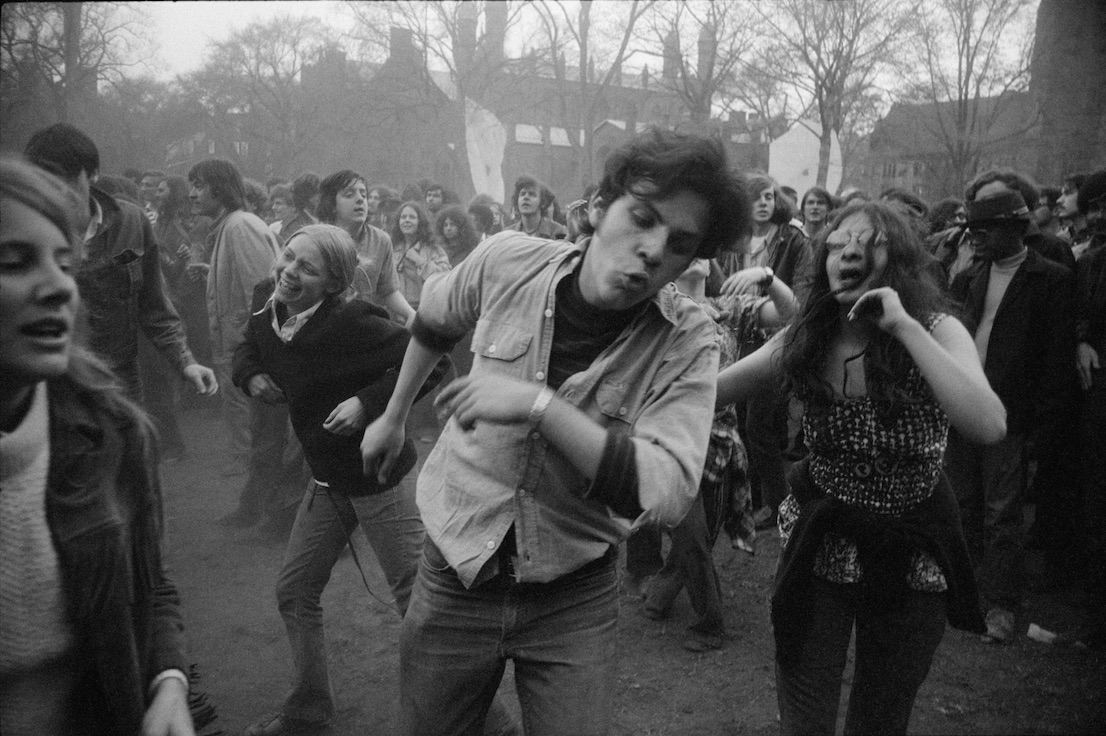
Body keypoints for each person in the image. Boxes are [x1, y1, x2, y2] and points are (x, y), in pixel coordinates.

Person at [360, 128, 749, 735]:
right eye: (642, 218)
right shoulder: (506, 259)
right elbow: (436, 320)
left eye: (680, 244)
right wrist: (391, 414)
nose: (653, 250)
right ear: (597, 208)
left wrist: (541, 406)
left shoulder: (690, 340)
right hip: (456, 565)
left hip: (575, 593)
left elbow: (668, 489)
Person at [716, 200, 1005, 735]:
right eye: (836, 242)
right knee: (805, 710)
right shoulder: (808, 336)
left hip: (915, 539)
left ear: (896, 260)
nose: (847, 251)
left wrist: (903, 328)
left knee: (881, 716)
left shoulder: (937, 329)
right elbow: (714, 392)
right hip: (825, 534)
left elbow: (988, 425)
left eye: (866, 242)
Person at [0, 154, 194, 735]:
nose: (60, 285)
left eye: (65, 262)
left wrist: (167, 684)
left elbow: (150, 582)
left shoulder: (114, 433)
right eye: (14, 262)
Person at [232, 224, 448, 736]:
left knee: (418, 606)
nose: (289, 272)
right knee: (295, 591)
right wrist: (249, 374)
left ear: (333, 283)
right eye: (288, 258)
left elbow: (431, 362)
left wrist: (369, 404)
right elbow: (249, 343)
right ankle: (309, 711)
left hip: (379, 478)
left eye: (307, 268)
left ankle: (481, 722)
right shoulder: (270, 299)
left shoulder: (355, 320)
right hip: (327, 480)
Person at [643, 257, 798, 651]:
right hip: (666, 433)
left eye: (705, 249)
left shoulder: (728, 309)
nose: (697, 253)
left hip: (717, 439)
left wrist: (768, 277)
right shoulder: (652, 306)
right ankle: (711, 622)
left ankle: (663, 591)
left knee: (701, 533)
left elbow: (791, 315)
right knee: (690, 531)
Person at [946, 183, 1077, 644]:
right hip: (964, 404)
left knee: (1002, 515)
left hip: (1011, 415)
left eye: (984, 228)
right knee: (960, 505)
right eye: (972, 228)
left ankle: (1000, 605)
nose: (975, 237)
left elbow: (1055, 362)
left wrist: (1042, 428)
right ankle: (962, 595)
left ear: (1014, 228)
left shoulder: (1052, 280)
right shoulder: (968, 276)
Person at [23, 123, 218, 403]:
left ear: (92, 175)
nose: (56, 190)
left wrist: (185, 361)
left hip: (119, 379)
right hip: (49, 383)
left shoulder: (131, 222)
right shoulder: (22, 228)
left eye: (65, 178)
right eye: (44, 179)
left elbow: (155, 307)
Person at [717, 172, 810, 529]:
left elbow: (800, 295)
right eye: (755, 197)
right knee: (738, 423)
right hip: (736, 332)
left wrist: (769, 282)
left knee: (760, 426)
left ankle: (780, 503)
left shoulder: (794, 239)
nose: (764, 202)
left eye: (769, 196)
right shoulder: (734, 240)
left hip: (777, 336)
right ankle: (750, 499)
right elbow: (718, 286)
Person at [188, 158, 280, 488]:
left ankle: (256, 502)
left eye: (199, 185)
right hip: (238, 351)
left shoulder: (240, 227)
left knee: (258, 431)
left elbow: (265, 297)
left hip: (247, 354)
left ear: (221, 189)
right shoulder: (229, 227)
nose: (191, 194)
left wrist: (252, 358)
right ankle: (252, 500)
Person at [318, 170, 415, 325]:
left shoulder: (381, 240)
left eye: (363, 194)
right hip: (321, 324)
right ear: (331, 205)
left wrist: (411, 314)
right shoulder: (315, 239)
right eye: (349, 194)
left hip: (364, 326)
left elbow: (388, 290)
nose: (360, 200)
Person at [389, 200, 450, 311]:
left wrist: (420, 261)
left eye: (412, 217)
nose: (407, 220)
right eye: (403, 217)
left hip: (424, 309)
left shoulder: (433, 249)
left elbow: (445, 277)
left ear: (420, 222)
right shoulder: (391, 247)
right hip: (396, 310)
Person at [504, 175, 569, 240]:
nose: (526, 197)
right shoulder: (508, 233)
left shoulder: (557, 231)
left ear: (543, 202)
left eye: (532, 194)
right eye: (522, 194)